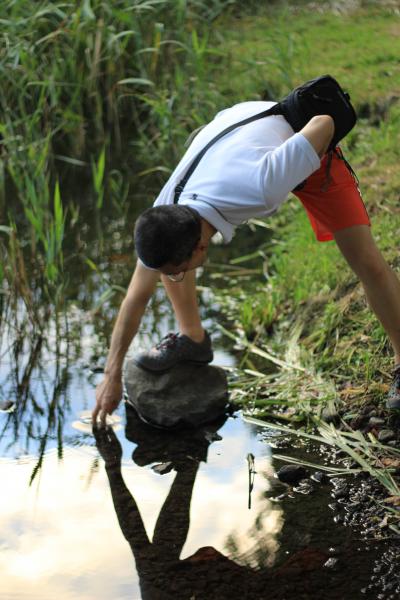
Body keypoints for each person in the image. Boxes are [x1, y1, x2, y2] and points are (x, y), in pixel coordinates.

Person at [92, 99, 400, 425]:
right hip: (241, 140)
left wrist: (299, 159)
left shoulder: (261, 188)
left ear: (200, 248)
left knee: (367, 263)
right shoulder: (166, 212)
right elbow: (136, 297)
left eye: (179, 272)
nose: (173, 277)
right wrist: (111, 376)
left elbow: (323, 121)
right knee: (170, 261)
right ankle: (192, 337)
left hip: (299, 147)